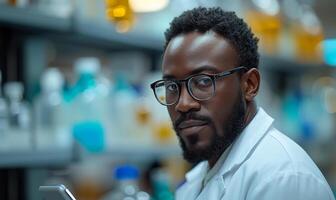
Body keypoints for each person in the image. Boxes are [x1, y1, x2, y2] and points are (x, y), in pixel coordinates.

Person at [150, 7, 335, 200]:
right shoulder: (196, 181)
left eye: (203, 81)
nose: (183, 104)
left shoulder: (284, 178)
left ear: (249, 85)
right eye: (172, 86)